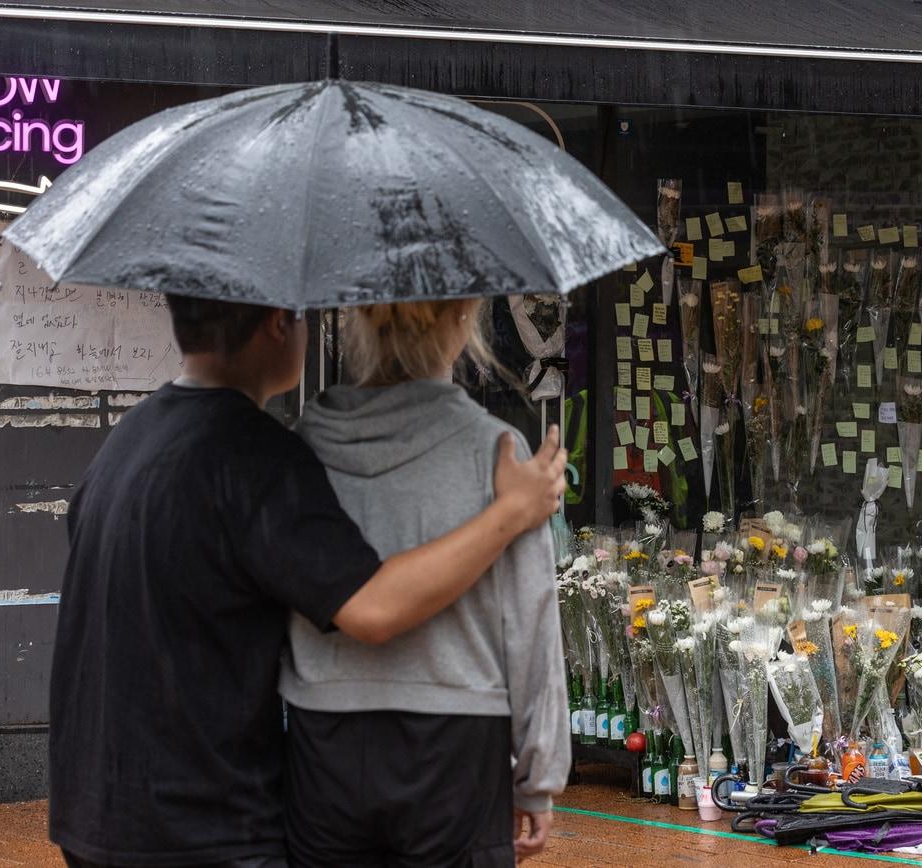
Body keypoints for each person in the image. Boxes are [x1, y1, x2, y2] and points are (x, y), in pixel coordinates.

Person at [50, 296, 566, 868]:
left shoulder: (132, 441)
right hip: (205, 818)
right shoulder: (259, 454)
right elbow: (376, 608)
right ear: (279, 324)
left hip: (104, 806)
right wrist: (512, 513)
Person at [279, 298, 569, 866]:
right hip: (458, 743)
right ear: (464, 321)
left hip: (323, 740)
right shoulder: (496, 451)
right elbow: (530, 621)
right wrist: (537, 776)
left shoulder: (302, 445)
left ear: (356, 322)